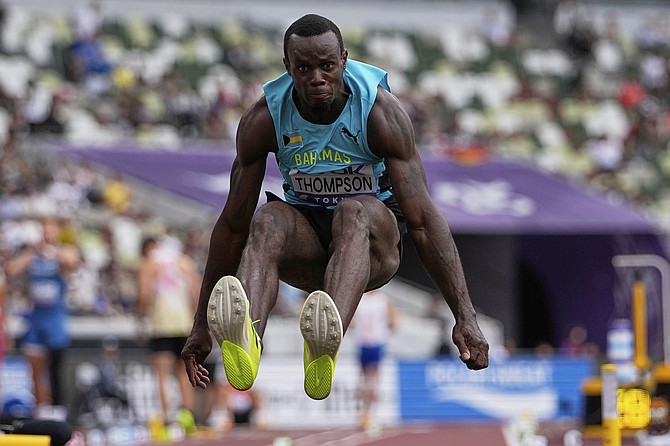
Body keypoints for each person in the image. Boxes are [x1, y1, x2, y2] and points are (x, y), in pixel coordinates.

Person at [181, 13, 489, 401]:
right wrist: (201, 325)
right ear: (287, 67)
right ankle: (247, 338)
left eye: (327, 66)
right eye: (304, 68)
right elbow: (232, 225)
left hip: (372, 249)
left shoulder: (381, 113)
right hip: (308, 249)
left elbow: (424, 222)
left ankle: (326, 340)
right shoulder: (264, 119)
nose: (316, 78)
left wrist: (465, 315)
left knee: (353, 210)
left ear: (344, 60)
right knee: (268, 219)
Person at [4, 216, 81, 416]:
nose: (47, 233)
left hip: (55, 320)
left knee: (56, 367)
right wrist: (33, 252)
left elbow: (72, 262)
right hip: (36, 319)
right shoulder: (34, 255)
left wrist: (53, 252)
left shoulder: (63, 251)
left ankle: (59, 409)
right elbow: (11, 270)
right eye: (44, 229)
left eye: (50, 229)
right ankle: (41, 409)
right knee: (35, 367)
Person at [136, 235, 200, 432]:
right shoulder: (183, 262)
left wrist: (140, 317)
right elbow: (197, 291)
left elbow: (145, 294)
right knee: (185, 372)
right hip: (185, 323)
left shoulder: (149, 264)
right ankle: (188, 418)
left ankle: (167, 418)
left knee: (162, 374)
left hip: (162, 323)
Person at [351, 288, 395, 429]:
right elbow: (393, 323)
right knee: (373, 381)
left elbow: (351, 323)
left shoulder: (359, 300)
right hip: (376, 343)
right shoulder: (382, 300)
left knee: (363, 380)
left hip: (362, 342)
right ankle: (368, 414)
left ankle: (362, 413)